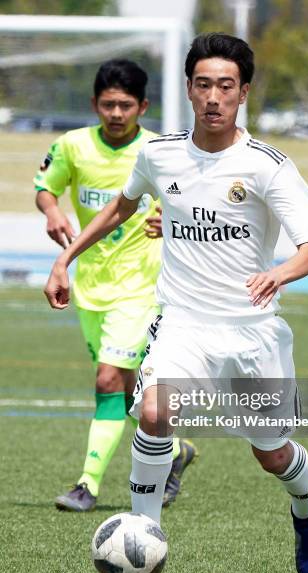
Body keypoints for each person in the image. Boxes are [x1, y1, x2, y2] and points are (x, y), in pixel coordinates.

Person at [44, 35, 308, 573]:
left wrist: (279, 272)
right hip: (182, 322)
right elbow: (122, 208)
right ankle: (143, 537)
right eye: (203, 85)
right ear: (189, 90)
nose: (213, 97)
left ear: (243, 92)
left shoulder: (267, 165)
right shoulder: (159, 153)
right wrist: (67, 259)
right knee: (154, 412)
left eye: (226, 86)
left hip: (252, 332)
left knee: (270, 453)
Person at [35, 58, 197, 512]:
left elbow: (192, 202)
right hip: (90, 284)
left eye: (126, 105)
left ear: (143, 106)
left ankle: (87, 484)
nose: (116, 113)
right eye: (108, 104)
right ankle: (176, 449)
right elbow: (45, 185)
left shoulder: (162, 151)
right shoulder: (72, 146)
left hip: (143, 286)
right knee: (126, 390)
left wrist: (171, 219)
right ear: (94, 104)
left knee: (107, 378)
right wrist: (51, 210)